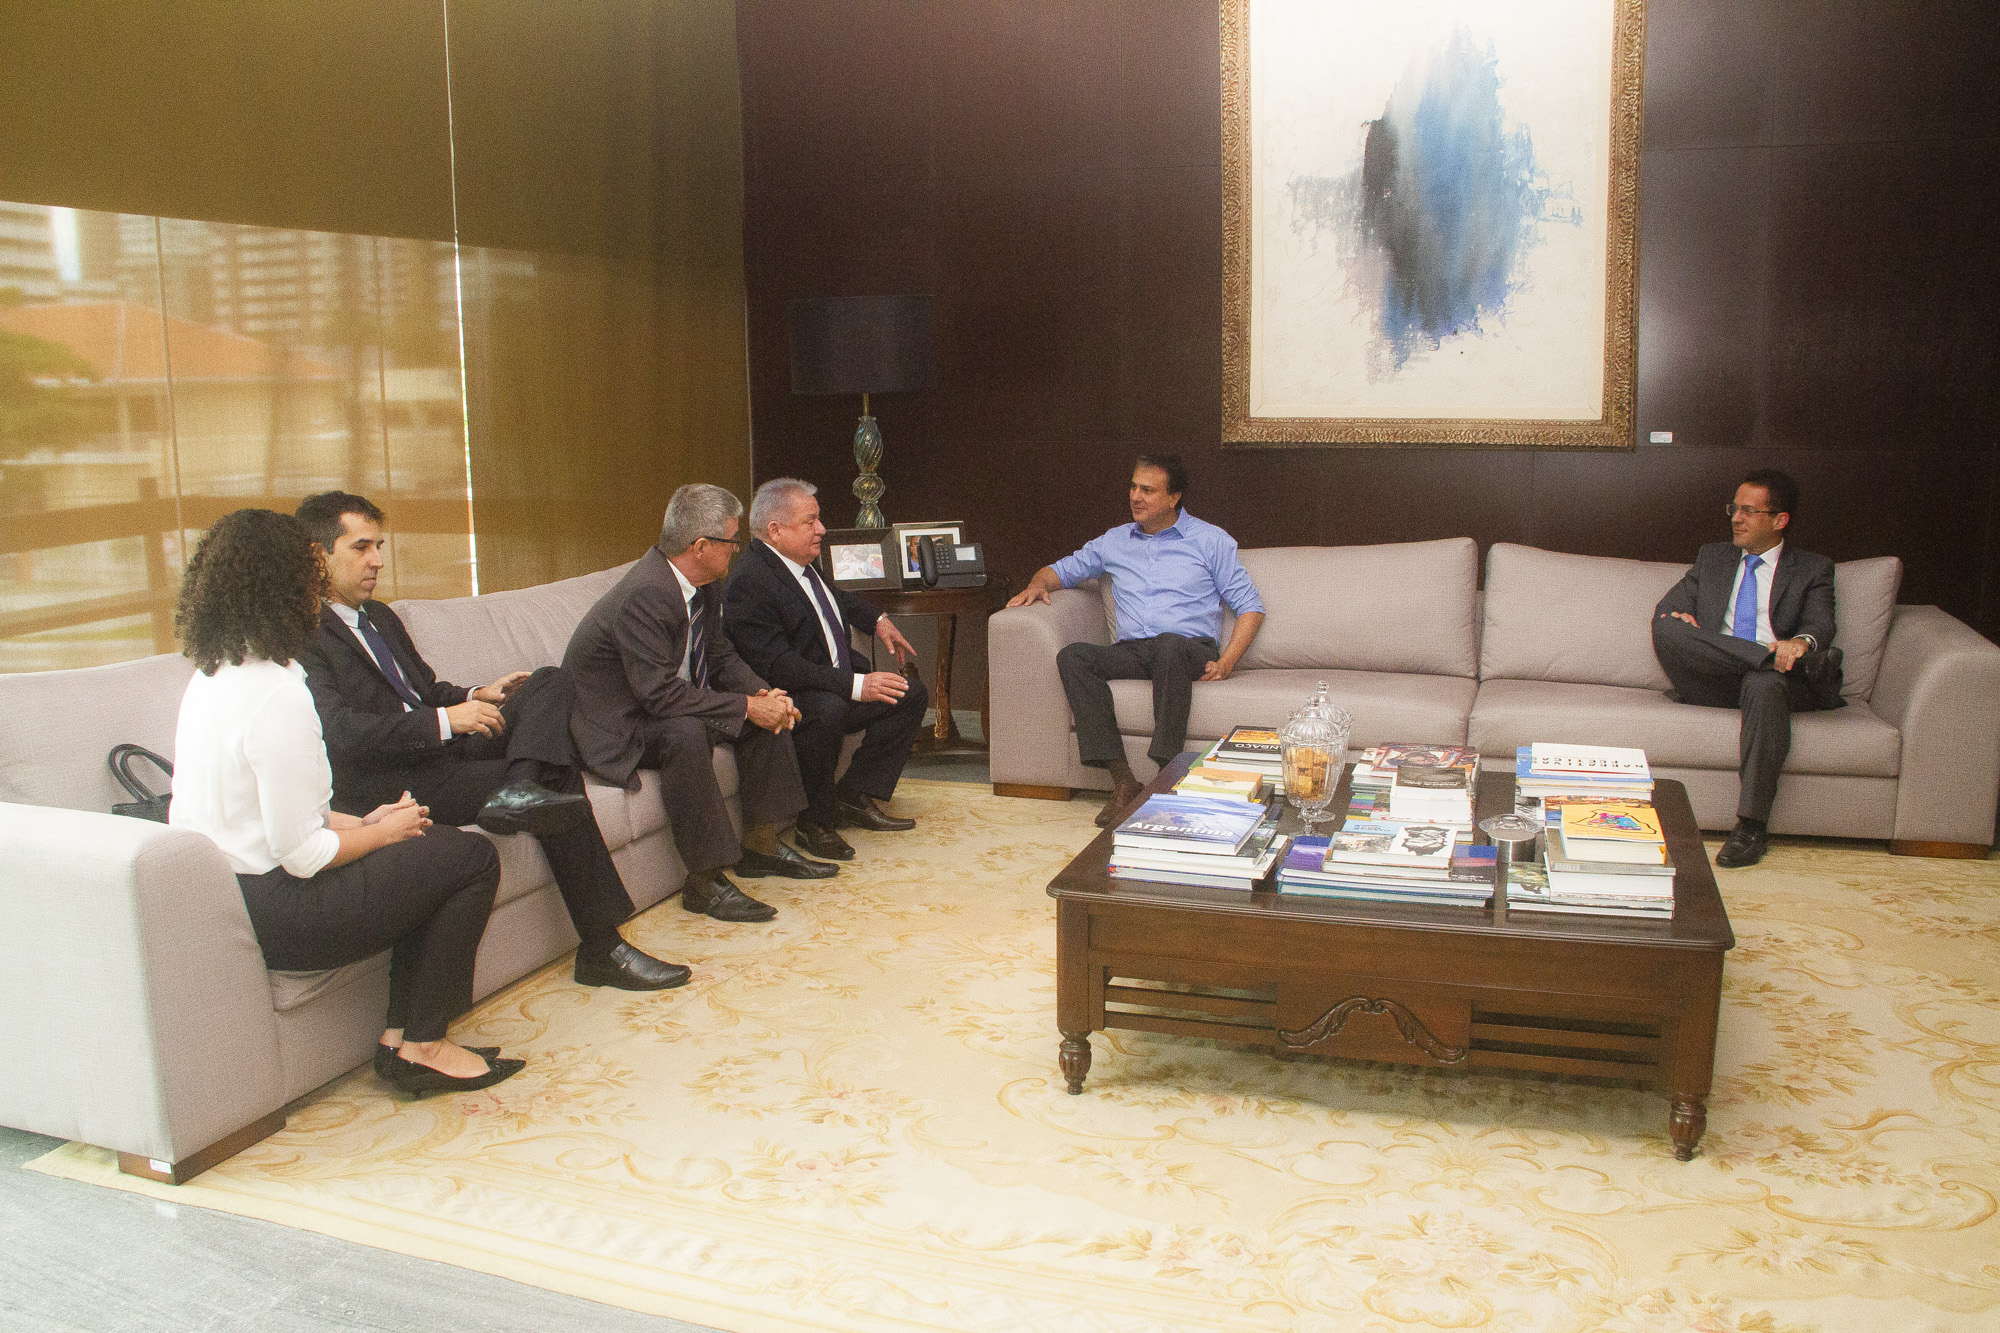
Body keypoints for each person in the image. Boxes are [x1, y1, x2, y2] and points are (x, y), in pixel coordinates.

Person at [167, 508, 522, 1097]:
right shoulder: (278, 694)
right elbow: (304, 854)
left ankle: (401, 1040)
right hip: (284, 911)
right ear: (285, 587)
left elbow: (273, 814)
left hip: (235, 890)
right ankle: (425, 1043)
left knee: (425, 847)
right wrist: (383, 834)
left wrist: (371, 821)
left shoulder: (213, 674)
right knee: (470, 859)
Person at [293, 492, 687, 994]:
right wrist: (444, 721)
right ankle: (601, 945)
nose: (377, 560)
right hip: (390, 780)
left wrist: (478, 694)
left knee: (550, 680)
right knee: (556, 773)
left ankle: (519, 787)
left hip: (441, 750)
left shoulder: (380, 618)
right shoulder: (304, 636)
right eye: (361, 547)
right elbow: (338, 733)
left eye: (379, 546)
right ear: (317, 554)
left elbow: (425, 689)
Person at [564, 483, 837, 924]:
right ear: (701, 546)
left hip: (649, 705)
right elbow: (656, 694)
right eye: (732, 542)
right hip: (612, 725)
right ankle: (705, 881)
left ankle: (761, 847)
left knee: (760, 715)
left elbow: (720, 654)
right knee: (686, 731)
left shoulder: (704, 583)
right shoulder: (647, 593)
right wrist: (745, 707)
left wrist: (762, 694)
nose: (737, 550)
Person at [1008, 454, 1267, 827]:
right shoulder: (1114, 541)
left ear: (1174, 497)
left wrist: (1226, 662)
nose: (1136, 496)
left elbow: (1251, 607)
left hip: (1188, 647)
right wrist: (1037, 584)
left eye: (1148, 489)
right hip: (1133, 650)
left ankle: (1166, 774)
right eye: (1133, 486)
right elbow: (1059, 571)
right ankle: (1124, 782)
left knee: (1169, 644)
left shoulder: (1210, 540)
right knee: (1074, 656)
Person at [722, 478, 926, 861]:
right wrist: (854, 685)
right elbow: (778, 666)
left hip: (828, 683)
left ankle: (853, 794)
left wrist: (878, 619)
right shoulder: (750, 583)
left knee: (908, 693)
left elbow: (835, 599)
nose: (822, 529)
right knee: (828, 709)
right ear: (776, 531)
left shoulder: (798, 562)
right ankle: (814, 823)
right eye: (810, 522)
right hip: (791, 694)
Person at [1652, 469, 1846, 868]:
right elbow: (1668, 610)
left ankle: (1751, 827)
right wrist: (1679, 617)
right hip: (1717, 678)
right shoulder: (1714, 557)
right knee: (1666, 629)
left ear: (1779, 520)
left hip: (1774, 683)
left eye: (1748, 511)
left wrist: (1798, 643)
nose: (1735, 519)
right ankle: (1760, 655)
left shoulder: (1812, 569)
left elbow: (1819, 626)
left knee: (1764, 684)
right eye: (1733, 509)